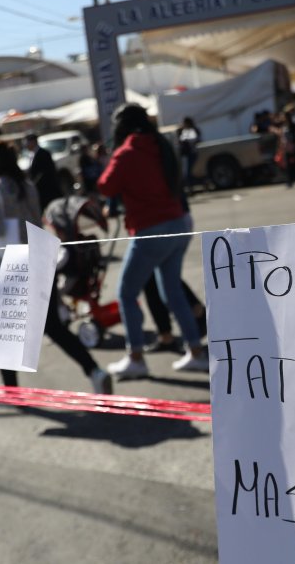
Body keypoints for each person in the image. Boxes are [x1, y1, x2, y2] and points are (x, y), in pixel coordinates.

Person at [0, 139, 111, 400]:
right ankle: (94, 371)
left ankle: (12, 392)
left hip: (14, 263)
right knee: (54, 327)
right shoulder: (27, 185)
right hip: (39, 255)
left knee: (6, 330)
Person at [97, 103, 206, 380]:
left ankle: (136, 358)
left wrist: (111, 157)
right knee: (172, 291)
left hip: (151, 230)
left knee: (126, 294)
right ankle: (195, 351)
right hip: (178, 224)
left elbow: (105, 186)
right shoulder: (160, 144)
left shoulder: (126, 153)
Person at [24, 132, 64, 207]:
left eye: (27, 142)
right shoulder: (32, 155)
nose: (26, 145)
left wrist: (34, 184)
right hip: (42, 191)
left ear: (33, 142)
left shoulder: (43, 153)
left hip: (48, 190)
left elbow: (46, 172)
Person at [178, 117, 202, 194]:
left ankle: (190, 188)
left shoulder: (192, 130)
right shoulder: (182, 131)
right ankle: (190, 188)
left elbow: (196, 140)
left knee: (188, 173)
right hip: (186, 154)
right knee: (187, 172)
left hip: (191, 153)